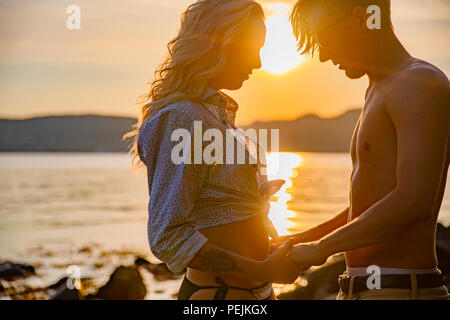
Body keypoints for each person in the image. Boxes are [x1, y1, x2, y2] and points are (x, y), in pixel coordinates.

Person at [124, 0, 298, 300]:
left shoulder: (211, 115)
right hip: (218, 295)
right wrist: (262, 270)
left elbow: (215, 212)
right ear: (222, 43)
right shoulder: (182, 117)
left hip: (250, 294)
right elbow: (169, 236)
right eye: (253, 48)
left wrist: (253, 203)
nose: (257, 63)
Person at [282, 0, 450, 300]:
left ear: (362, 18)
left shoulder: (418, 82)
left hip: (398, 291)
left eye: (323, 39)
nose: (323, 55)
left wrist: (321, 249)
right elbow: (368, 208)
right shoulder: (379, 89)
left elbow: (413, 201)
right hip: (364, 290)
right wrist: (301, 239)